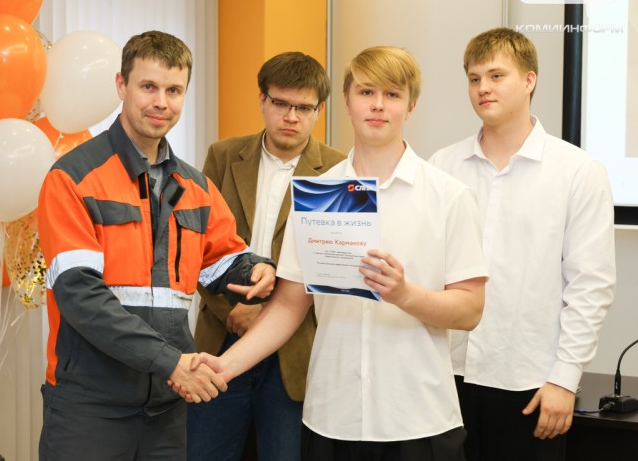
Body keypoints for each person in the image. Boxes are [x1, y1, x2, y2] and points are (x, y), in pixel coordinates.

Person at [182, 46, 489, 461]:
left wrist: (403, 294)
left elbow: (470, 310)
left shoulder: (448, 196)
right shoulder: (320, 194)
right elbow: (289, 305)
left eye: (392, 94)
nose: (378, 105)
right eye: (366, 92)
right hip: (332, 415)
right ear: (346, 101)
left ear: (411, 105)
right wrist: (224, 366)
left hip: (418, 416)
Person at [36, 30, 277, 461]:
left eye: (173, 90)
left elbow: (224, 258)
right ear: (121, 85)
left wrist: (256, 269)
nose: (161, 102)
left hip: (166, 410)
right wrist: (171, 362)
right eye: (148, 86)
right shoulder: (72, 178)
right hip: (90, 407)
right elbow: (80, 296)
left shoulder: (195, 187)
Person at [429, 27, 617, 461]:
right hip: (447, 376)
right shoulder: (443, 165)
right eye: (474, 78)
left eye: (497, 76)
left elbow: (590, 286)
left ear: (529, 80)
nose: (483, 88)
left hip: (530, 382)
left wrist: (565, 378)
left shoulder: (577, 171)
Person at [187, 52, 345, 461]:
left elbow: (336, 271)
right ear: (262, 99)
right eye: (281, 103)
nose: (291, 117)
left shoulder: (340, 172)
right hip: (222, 337)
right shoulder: (223, 156)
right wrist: (234, 311)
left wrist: (271, 316)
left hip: (295, 351)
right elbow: (198, 247)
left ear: (319, 110)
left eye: (303, 108)